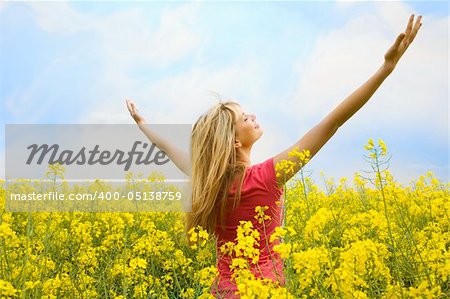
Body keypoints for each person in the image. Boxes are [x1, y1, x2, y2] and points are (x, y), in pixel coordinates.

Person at [126, 14, 422, 298]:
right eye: (244, 118)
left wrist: (143, 126)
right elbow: (332, 123)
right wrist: (386, 68)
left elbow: (168, 150)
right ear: (232, 142)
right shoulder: (268, 177)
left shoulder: (209, 180)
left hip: (224, 293)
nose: (252, 116)